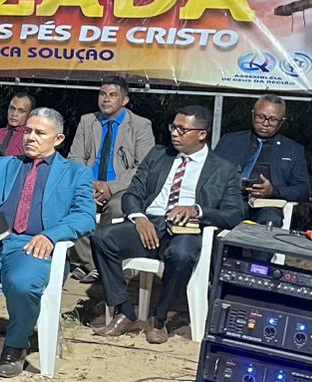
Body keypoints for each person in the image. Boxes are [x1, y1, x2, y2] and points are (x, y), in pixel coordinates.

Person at [0, 108, 96, 378]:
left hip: (33, 245)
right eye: (28, 131)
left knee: (22, 284)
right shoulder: (2, 165)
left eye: (40, 133)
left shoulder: (75, 173)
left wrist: (51, 235)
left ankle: (15, 347)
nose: (30, 137)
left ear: (58, 139)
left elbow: (85, 216)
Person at [89, 105, 246, 344]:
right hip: (149, 223)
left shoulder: (224, 169)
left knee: (182, 255)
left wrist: (197, 210)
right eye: (173, 127)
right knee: (102, 238)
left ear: (202, 134)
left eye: (182, 129)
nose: (174, 133)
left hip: (186, 229)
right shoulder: (158, 155)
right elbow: (133, 194)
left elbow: (234, 214)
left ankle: (159, 317)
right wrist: (139, 218)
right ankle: (125, 312)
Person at [65, 77, 155, 282]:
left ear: (125, 100)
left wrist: (110, 187)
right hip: (89, 184)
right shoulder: (88, 121)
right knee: (71, 201)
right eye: (102, 94)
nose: (106, 99)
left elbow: (143, 167)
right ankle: (90, 263)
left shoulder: (141, 125)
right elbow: (75, 157)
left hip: (122, 188)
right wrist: (87, 185)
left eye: (112, 95)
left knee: (116, 208)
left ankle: (97, 261)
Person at [212, 94, 311, 225]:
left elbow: (303, 190)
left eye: (273, 120)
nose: (265, 123)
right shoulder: (230, 140)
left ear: (282, 121)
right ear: (253, 114)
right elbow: (209, 172)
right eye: (260, 117)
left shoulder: (292, 150)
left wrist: (273, 191)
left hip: (264, 205)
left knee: (271, 218)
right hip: (228, 201)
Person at [0, 92, 34, 157]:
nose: (14, 114)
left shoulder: (30, 138)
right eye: (12, 108)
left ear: (30, 114)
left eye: (21, 111)